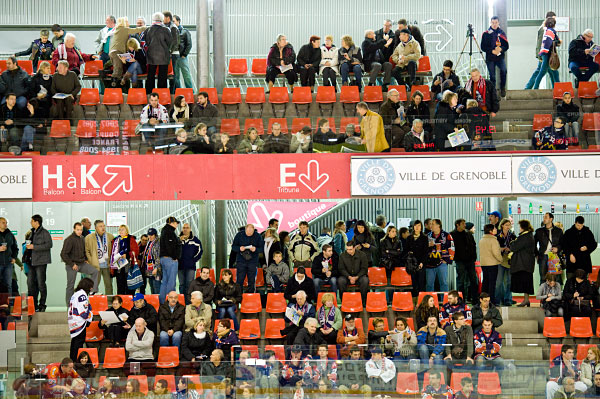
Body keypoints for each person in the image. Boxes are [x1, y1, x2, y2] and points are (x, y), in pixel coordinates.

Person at [61, 222, 99, 306]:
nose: (79, 231)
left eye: (81, 230)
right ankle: (69, 305)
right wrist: (72, 264)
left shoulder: (82, 238)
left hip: (81, 263)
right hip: (71, 265)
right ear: (74, 229)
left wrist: (85, 259)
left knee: (95, 271)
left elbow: (83, 251)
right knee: (70, 285)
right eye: (77, 230)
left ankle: (93, 291)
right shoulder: (69, 239)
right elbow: (63, 254)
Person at [525, 11, 560, 89]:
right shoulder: (545, 29)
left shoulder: (546, 29)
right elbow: (542, 42)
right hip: (545, 54)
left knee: (550, 72)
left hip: (545, 53)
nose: (554, 21)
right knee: (544, 72)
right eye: (553, 19)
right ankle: (530, 88)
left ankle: (556, 88)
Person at [107, 17, 146, 84]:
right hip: (117, 51)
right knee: (118, 70)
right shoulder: (124, 29)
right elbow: (136, 29)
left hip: (113, 51)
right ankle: (115, 84)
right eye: (127, 21)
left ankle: (125, 83)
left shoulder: (117, 29)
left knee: (119, 68)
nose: (129, 23)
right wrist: (147, 27)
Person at [26, 214, 52, 312]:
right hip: (31, 261)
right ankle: (33, 305)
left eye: (32, 221)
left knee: (41, 283)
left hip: (41, 262)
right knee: (30, 283)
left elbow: (49, 245)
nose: (30, 222)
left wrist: (34, 247)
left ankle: (42, 304)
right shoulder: (31, 232)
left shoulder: (45, 232)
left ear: (37, 222)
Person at [510, 220, 536, 307]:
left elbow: (514, 247)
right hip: (527, 264)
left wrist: (512, 242)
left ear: (523, 227)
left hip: (523, 264)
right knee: (527, 283)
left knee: (525, 283)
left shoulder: (524, 237)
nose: (519, 229)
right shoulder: (530, 235)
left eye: (520, 227)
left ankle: (526, 300)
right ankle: (526, 300)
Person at [481, 16, 509, 97]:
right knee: (492, 76)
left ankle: (502, 87)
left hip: (500, 57)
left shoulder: (502, 33)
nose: (494, 24)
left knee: (504, 70)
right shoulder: (486, 34)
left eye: (496, 22)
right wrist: (491, 51)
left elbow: (506, 46)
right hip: (490, 58)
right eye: (493, 23)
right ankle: (493, 92)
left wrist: (501, 49)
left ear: (498, 23)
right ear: (490, 23)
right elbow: (483, 47)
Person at [145, 12, 173, 93]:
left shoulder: (148, 29)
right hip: (163, 56)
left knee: (150, 76)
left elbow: (147, 42)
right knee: (162, 76)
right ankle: (162, 93)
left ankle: (150, 93)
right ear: (162, 19)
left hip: (151, 56)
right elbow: (170, 42)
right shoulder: (166, 29)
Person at [67, 277, 94, 362]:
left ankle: (72, 361)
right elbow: (84, 313)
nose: (92, 288)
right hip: (79, 322)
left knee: (74, 342)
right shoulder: (82, 296)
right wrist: (89, 312)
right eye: (91, 286)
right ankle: (76, 362)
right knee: (78, 343)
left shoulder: (76, 294)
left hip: (72, 320)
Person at [232, 224, 264, 293]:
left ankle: (250, 297)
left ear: (253, 230)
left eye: (251, 232)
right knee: (239, 280)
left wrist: (255, 249)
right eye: (248, 232)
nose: (249, 233)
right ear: (245, 229)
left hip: (253, 261)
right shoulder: (239, 235)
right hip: (241, 261)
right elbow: (233, 247)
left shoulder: (258, 236)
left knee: (251, 280)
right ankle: (238, 297)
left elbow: (262, 249)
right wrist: (239, 248)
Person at [109, 224, 139, 295]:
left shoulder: (131, 239)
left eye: (122, 229)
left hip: (128, 266)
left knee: (129, 286)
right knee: (120, 285)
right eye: (119, 229)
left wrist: (128, 255)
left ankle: (129, 301)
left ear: (127, 231)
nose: (121, 231)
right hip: (118, 266)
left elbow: (136, 251)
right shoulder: (115, 240)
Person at [452, 219, 478, 304]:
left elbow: (473, 246)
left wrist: (474, 258)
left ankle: (475, 299)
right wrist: (455, 258)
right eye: (462, 224)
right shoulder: (452, 235)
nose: (464, 225)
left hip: (470, 261)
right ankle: (461, 299)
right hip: (460, 261)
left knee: (473, 280)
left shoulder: (468, 234)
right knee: (461, 281)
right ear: (457, 225)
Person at [338, 240, 370, 307]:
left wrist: (357, 277)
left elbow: (364, 268)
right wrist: (349, 277)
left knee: (365, 280)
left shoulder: (362, 255)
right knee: (340, 281)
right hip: (346, 276)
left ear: (354, 248)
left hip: (359, 276)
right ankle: (344, 301)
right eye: (347, 249)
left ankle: (363, 301)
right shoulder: (342, 255)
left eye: (350, 249)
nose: (348, 251)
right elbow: (341, 269)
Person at [425, 219, 454, 292]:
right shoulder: (427, 236)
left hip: (442, 263)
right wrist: (428, 246)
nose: (431, 225)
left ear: (439, 225)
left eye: (433, 224)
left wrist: (448, 260)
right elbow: (423, 249)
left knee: (443, 283)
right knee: (429, 284)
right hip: (429, 264)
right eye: (430, 224)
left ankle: (444, 302)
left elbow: (452, 248)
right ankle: (429, 302)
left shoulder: (447, 235)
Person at [535, 212, 564, 281]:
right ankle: (543, 291)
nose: (544, 219)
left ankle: (556, 291)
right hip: (543, 256)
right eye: (543, 217)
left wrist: (558, 248)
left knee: (556, 277)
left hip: (555, 256)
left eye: (546, 217)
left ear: (551, 219)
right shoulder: (539, 231)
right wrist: (536, 254)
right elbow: (533, 243)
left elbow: (563, 244)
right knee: (543, 277)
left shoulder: (559, 231)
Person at [158, 216, 181, 303]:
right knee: (171, 283)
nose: (176, 225)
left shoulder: (164, 231)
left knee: (164, 282)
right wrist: (175, 257)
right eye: (175, 223)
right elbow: (170, 246)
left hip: (164, 259)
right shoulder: (169, 232)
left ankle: (163, 302)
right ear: (171, 223)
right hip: (170, 260)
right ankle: (170, 303)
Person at [178, 224, 203, 303]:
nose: (185, 229)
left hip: (190, 267)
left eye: (187, 228)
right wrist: (179, 241)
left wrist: (193, 260)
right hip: (180, 266)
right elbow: (173, 249)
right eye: (184, 228)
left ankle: (189, 302)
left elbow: (200, 251)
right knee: (181, 285)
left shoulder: (195, 240)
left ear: (190, 229)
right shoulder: (178, 239)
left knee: (189, 285)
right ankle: (182, 302)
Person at [479, 224, 503, 303]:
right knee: (492, 283)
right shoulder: (493, 240)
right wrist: (501, 259)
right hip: (492, 264)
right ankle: (491, 300)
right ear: (490, 231)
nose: (496, 229)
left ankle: (483, 300)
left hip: (483, 264)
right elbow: (496, 253)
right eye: (494, 229)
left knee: (485, 282)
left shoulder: (481, 240)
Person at [405, 220, 428, 297]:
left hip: (421, 263)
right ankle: (414, 302)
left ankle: (421, 301)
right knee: (413, 284)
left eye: (419, 226)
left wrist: (422, 262)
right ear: (413, 227)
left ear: (421, 227)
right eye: (415, 226)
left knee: (421, 283)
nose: (417, 227)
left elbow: (425, 252)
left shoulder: (424, 237)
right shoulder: (409, 238)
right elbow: (406, 250)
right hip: (411, 264)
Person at [495, 218, 515, 307]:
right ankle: (497, 300)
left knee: (509, 282)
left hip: (510, 260)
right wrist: (502, 249)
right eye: (506, 225)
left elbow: (516, 246)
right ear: (502, 225)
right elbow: (494, 248)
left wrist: (510, 249)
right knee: (499, 282)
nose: (508, 226)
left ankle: (508, 300)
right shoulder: (497, 235)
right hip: (500, 259)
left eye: (509, 225)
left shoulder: (512, 235)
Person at [173, 15, 195, 91]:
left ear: (178, 21)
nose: (173, 23)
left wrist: (184, 55)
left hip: (182, 57)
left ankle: (190, 92)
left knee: (186, 75)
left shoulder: (185, 31)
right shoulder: (171, 31)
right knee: (176, 77)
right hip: (174, 57)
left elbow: (189, 44)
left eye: (174, 21)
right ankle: (178, 92)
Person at [0, 217, 17, 293]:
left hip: (8, 263)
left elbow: (15, 248)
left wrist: (14, 257)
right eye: (3, 223)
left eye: (6, 223)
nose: (5, 224)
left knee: (8, 284)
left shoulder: (10, 234)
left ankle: (9, 303)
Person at [141, 228, 161, 295]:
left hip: (156, 269)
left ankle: (159, 303)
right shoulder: (149, 242)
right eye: (149, 235)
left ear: (155, 235)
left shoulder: (158, 242)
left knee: (156, 287)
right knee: (152, 287)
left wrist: (156, 267)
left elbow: (158, 256)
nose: (150, 236)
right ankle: (154, 302)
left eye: (152, 235)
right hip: (149, 269)